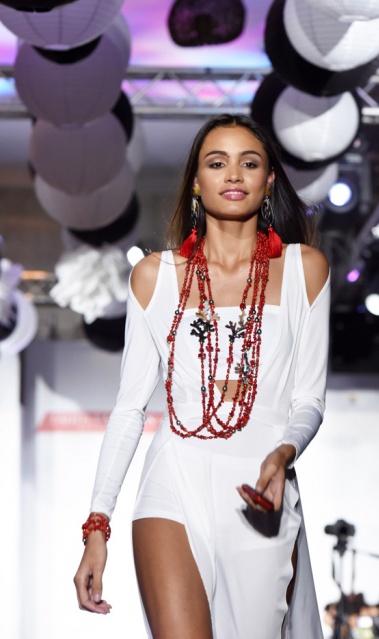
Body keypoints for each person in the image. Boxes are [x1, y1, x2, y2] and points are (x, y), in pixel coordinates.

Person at [74, 113, 330, 639]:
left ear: (268, 181)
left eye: (249, 163)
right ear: (196, 180)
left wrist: (284, 453)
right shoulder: (155, 277)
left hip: (258, 486)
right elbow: (129, 408)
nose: (233, 174)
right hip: (173, 476)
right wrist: (97, 525)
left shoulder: (304, 270)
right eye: (217, 163)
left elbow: (309, 399)